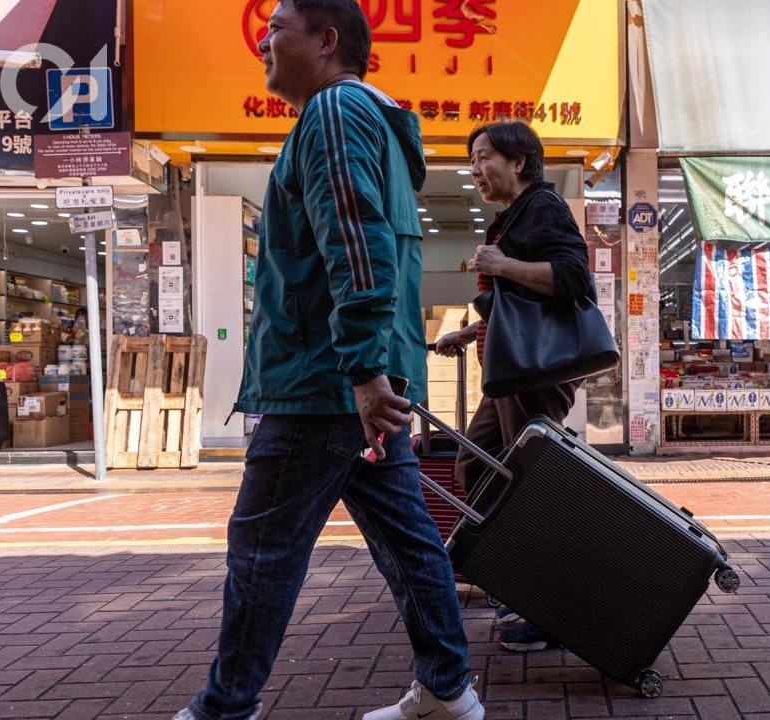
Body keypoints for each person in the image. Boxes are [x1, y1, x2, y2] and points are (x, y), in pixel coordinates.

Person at [174, 2, 482, 719]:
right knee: (406, 538)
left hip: (324, 381)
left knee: (262, 550)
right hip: (356, 377)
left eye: (277, 27)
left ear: (327, 38)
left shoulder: (335, 113)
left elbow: (356, 240)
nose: (262, 40)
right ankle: (446, 688)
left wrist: (363, 369)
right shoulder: (366, 117)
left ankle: (224, 707)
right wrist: (374, 370)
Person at [433, 120, 595, 653]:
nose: (475, 170)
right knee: (478, 465)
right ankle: (516, 577)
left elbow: (575, 279)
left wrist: (505, 265)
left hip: (532, 375)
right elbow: (515, 304)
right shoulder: (512, 217)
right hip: (507, 371)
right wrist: (471, 328)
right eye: (472, 159)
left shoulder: (543, 207)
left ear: (518, 161)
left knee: (530, 487)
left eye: (483, 157)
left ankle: (549, 606)